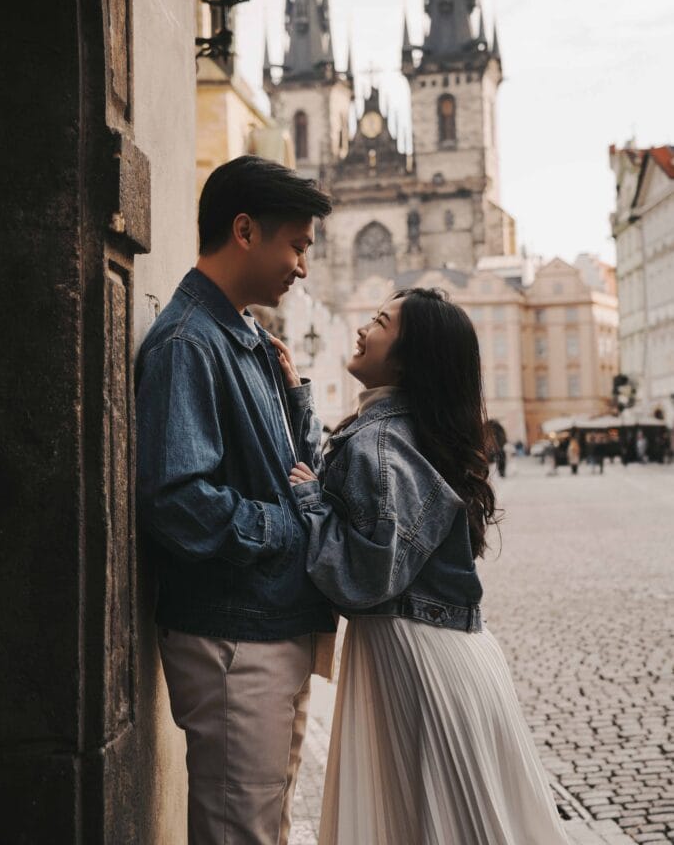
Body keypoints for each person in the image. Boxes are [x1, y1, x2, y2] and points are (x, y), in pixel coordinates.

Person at [279, 288, 569, 845]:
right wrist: (297, 403)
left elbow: (364, 577)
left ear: (409, 356)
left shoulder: (385, 441)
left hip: (415, 653)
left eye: (381, 322)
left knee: (431, 824)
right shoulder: (402, 431)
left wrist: (311, 503)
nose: (363, 328)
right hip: (442, 648)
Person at [135, 156, 337, 845]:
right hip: (232, 637)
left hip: (267, 622)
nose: (302, 266)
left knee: (265, 825)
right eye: (298, 245)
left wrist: (293, 396)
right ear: (245, 230)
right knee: (239, 831)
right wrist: (293, 529)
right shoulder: (189, 342)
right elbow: (178, 500)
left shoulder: (242, 336)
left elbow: (288, 464)